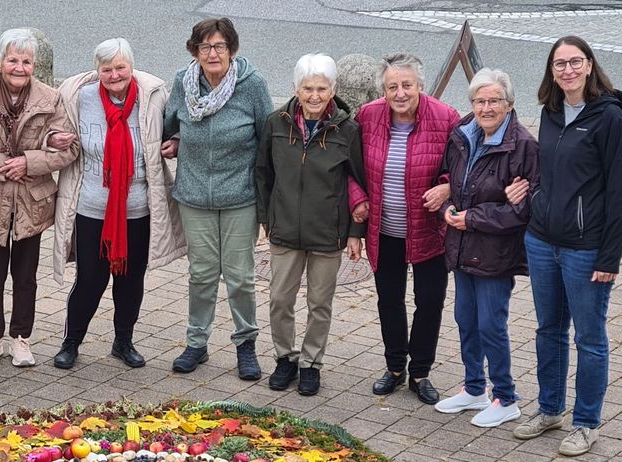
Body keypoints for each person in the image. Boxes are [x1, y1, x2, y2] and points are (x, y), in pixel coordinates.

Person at [508, 36, 622, 457]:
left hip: (585, 248)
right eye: (560, 64)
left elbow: (617, 192)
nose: (568, 70)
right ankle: (550, 409)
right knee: (547, 331)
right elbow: (549, 173)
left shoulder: (610, 118)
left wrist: (610, 255)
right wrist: (532, 196)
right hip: (541, 241)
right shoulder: (551, 112)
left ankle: (587, 422)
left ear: (590, 66)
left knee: (590, 339)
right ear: (551, 70)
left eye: (576, 62)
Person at [52, 38, 187, 370]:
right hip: (91, 208)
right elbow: (52, 129)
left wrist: (177, 140)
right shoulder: (78, 96)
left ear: (132, 66)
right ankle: (71, 342)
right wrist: (52, 139)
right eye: (107, 69)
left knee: (130, 280)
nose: (114, 75)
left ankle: (123, 342)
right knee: (90, 280)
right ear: (97, 70)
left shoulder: (152, 96)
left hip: (138, 208)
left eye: (120, 68)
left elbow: (176, 127)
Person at [0, 28, 78, 368]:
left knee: (26, 276)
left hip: (31, 200)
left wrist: (30, 161)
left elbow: (70, 148)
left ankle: (21, 338)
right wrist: (0, 164)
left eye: (25, 61)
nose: (19, 67)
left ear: (34, 65)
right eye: (12, 60)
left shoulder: (51, 99)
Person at [161, 17, 272, 380]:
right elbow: (170, 124)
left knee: (240, 277)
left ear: (232, 49)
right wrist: (175, 140)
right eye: (205, 46)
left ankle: (246, 345)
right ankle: (197, 343)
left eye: (220, 46)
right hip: (194, 195)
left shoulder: (251, 85)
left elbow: (267, 139)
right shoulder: (183, 82)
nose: (213, 53)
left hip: (239, 196)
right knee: (202, 274)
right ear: (195, 51)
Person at [350, 53, 459, 405]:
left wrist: (447, 187)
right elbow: (349, 169)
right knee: (390, 300)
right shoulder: (367, 116)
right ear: (383, 89)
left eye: (407, 86)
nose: (399, 93)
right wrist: (357, 200)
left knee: (430, 301)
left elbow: (463, 167)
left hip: (429, 230)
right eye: (392, 86)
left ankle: (420, 372)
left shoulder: (446, 118)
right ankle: (395, 367)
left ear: (420, 86)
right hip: (384, 230)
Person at [432, 68, 538, 428]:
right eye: (480, 100)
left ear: (509, 105)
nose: (486, 107)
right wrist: (449, 205)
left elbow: (523, 209)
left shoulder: (523, 146)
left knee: (491, 324)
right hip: (462, 245)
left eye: (494, 101)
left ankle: (506, 397)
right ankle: (474, 387)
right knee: (466, 319)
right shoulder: (463, 133)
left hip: (495, 252)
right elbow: (451, 181)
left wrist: (472, 217)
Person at [256, 54, 365, 396]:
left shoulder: (348, 130)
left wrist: (354, 233)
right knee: (279, 300)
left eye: (321, 88)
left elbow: (358, 182)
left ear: (333, 90)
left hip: (327, 233)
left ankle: (311, 363)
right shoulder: (276, 123)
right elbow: (262, 174)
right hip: (284, 229)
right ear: (296, 89)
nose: (314, 95)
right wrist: (266, 219)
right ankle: (285, 358)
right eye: (308, 88)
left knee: (320, 303)